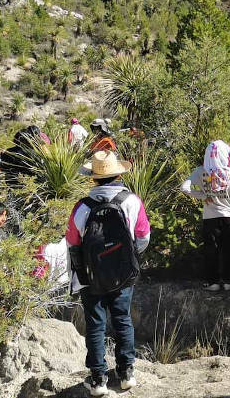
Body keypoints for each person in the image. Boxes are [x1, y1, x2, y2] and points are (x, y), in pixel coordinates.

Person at [66, 151, 150, 396]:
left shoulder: (82, 207)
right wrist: (128, 257)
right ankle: (126, 373)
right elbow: (143, 237)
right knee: (122, 318)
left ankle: (98, 379)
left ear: (94, 178)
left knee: (95, 324)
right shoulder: (131, 201)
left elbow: (72, 242)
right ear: (117, 174)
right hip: (123, 275)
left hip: (91, 277)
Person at [180, 140, 230, 292]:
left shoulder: (200, 171)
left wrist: (202, 196)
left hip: (210, 216)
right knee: (228, 251)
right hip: (229, 216)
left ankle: (213, 282)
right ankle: (227, 282)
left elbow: (184, 188)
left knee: (211, 250)